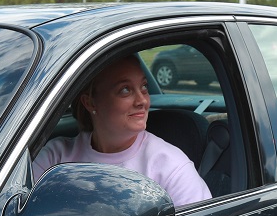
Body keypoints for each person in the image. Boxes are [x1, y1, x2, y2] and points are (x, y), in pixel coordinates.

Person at [33, 55, 212, 207]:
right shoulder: (54, 158)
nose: (142, 100)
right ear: (90, 103)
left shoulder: (171, 166)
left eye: (144, 87)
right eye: (125, 90)